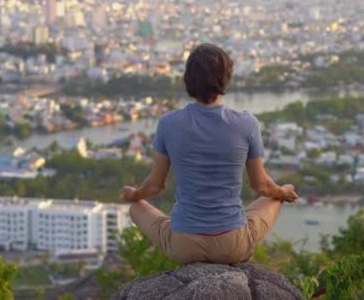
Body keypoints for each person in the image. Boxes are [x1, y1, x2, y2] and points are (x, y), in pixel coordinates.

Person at [121, 43, 298, 264]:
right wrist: (283, 192)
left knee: (137, 208)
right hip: (232, 245)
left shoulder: (168, 123)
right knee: (273, 198)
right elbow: (261, 186)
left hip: (184, 246)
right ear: (226, 78)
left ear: (188, 80)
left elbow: (155, 186)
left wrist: (134, 194)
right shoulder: (246, 124)